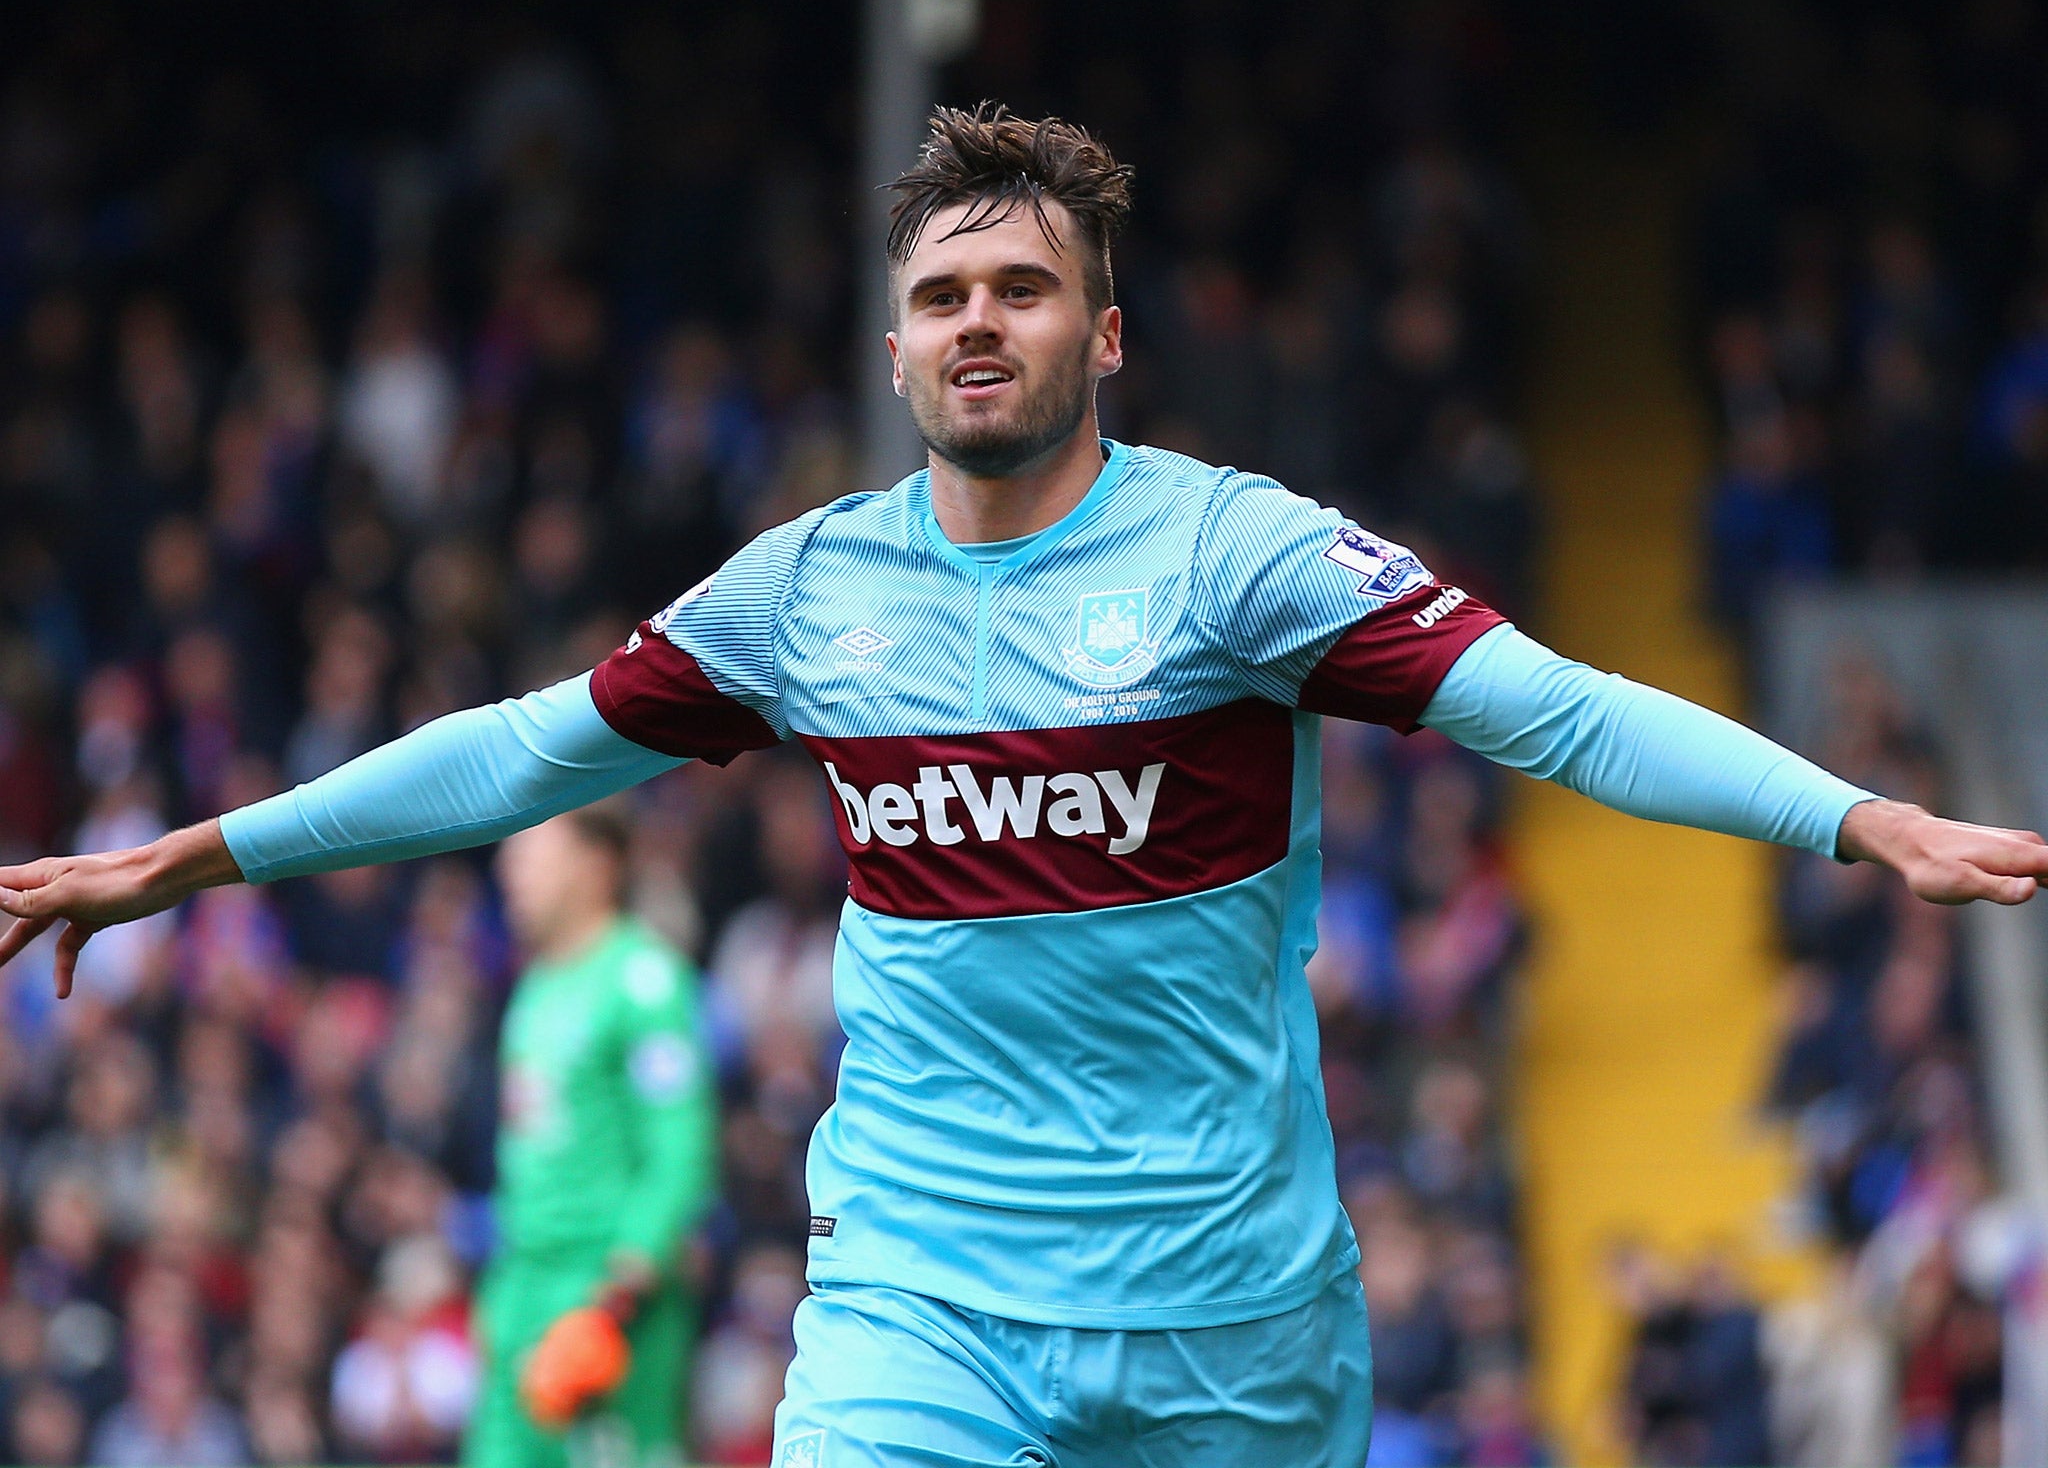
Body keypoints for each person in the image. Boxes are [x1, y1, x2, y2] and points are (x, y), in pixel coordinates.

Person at [0, 104, 2043, 1468]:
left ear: (1104, 333)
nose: (978, 324)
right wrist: (197, 855)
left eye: (1021, 289)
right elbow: (527, 751)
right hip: (923, 1311)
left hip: (1232, 1331)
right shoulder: (803, 598)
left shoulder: (1238, 557)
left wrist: (1852, 819)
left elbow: (1564, 713)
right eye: (941, 297)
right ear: (898, 351)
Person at [466, 805, 716, 1468]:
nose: (506, 868)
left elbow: (678, 1150)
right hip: (524, 1289)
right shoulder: (535, 988)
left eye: (529, 848)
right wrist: (500, 1298)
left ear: (595, 862)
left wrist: (616, 1294)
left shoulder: (644, 981)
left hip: (605, 1302)